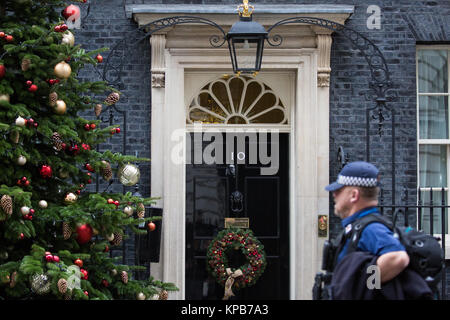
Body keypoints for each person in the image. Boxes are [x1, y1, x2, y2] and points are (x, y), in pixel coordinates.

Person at [324, 161, 409, 285]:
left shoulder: (371, 228)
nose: (334, 194)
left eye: (339, 190)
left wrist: (363, 285)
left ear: (354, 195)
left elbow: (398, 257)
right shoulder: (357, 227)